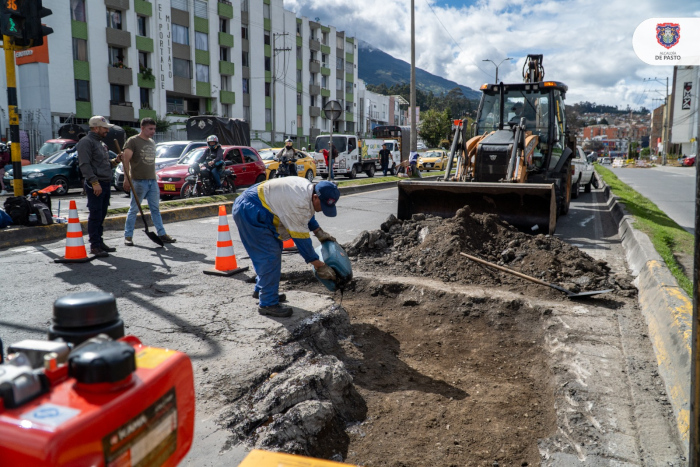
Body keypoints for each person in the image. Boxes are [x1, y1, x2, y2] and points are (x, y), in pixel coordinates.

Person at [232, 177, 340, 318]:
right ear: (315, 197)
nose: (322, 210)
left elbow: (307, 214)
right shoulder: (299, 202)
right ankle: (268, 303)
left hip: (259, 206)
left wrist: (318, 232)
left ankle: (262, 290)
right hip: (251, 211)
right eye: (323, 206)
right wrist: (319, 265)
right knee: (269, 256)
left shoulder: (307, 191)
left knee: (271, 252)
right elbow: (301, 240)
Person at [122, 117, 176, 246]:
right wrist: (126, 179)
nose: (153, 131)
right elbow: (125, 160)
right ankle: (128, 236)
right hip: (138, 181)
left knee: (155, 209)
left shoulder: (152, 142)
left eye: (154, 129)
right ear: (142, 128)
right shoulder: (133, 141)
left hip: (152, 180)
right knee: (134, 209)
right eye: (150, 129)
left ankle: (162, 234)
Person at [77, 116, 122, 257]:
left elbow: (103, 164)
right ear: (95, 128)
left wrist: (115, 161)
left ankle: (99, 242)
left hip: (105, 182)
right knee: (95, 215)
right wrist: (94, 182)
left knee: (101, 214)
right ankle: (94, 246)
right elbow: (85, 165)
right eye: (104, 128)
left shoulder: (100, 143)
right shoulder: (86, 142)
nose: (107, 130)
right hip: (96, 184)